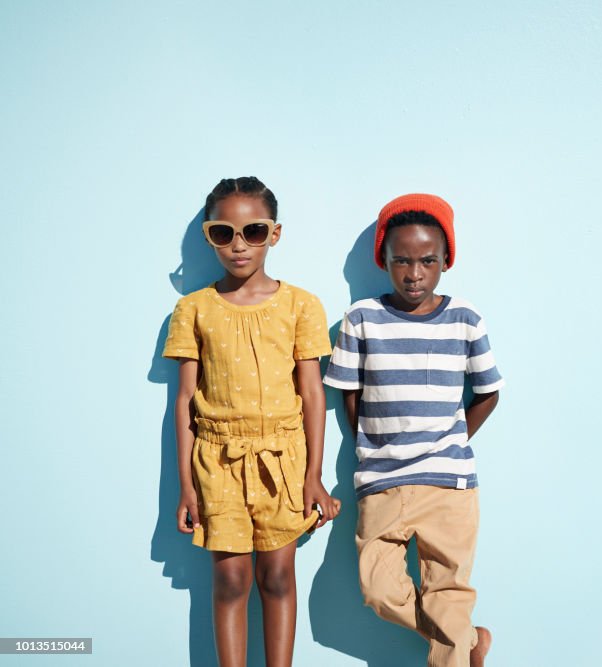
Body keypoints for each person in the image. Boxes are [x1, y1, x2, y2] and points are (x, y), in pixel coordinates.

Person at [163, 176, 341, 667]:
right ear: (208, 236)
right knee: (231, 580)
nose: (239, 245)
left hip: (283, 461)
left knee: (278, 577)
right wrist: (186, 487)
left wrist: (313, 476)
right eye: (224, 233)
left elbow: (312, 394)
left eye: (253, 231)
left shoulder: (301, 305)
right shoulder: (193, 309)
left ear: (274, 233)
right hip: (217, 462)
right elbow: (183, 403)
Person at [324, 193, 503, 667]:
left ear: (446, 260)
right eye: (401, 260)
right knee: (378, 590)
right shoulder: (361, 319)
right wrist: (373, 443)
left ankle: (456, 644)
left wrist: (451, 438)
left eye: (428, 260)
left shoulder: (465, 318)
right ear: (383, 258)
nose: (414, 273)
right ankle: (464, 642)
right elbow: (348, 392)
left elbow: (488, 393)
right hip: (382, 480)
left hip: (449, 482)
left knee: (448, 594)